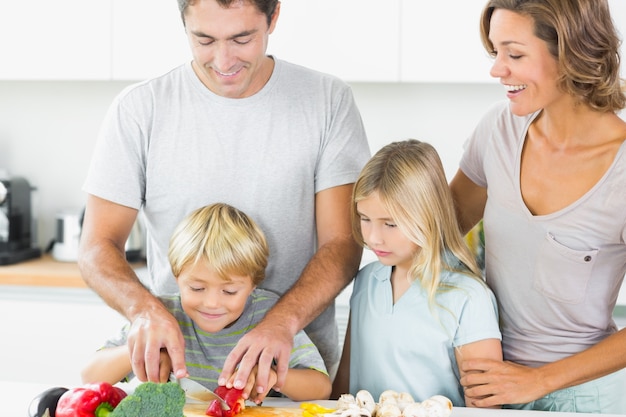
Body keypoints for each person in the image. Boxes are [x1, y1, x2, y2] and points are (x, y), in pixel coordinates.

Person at [77, 0, 370, 403]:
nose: (223, 59)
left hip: (288, 384)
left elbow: (343, 243)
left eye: (242, 38)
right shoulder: (139, 109)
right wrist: (144, 311)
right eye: (204, 39)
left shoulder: (327, 101)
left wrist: (280, 325)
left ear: (274, 17)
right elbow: (96, 246)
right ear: (183, 25)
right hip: (175, 386)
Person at [450, 0, 626, 413]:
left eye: (514, 54)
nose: (497, 69)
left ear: (571, 53)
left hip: (583, 398)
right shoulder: (499, 129)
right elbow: (439, 227)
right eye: (495, 53)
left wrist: (537, 381)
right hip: (487, 388)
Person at [81, 203, 331, 402]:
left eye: (230, 291)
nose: (211, 303)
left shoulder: (270, 316)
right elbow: (89, 376)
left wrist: (273, 376)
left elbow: (321, 388)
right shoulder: (164, 315)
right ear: (177, 277)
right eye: (197, 288)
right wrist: (143, 352)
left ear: (254, 283)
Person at [331, 140, 502, 407]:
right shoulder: (366, 281)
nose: (374, 238)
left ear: (428, 216)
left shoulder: (469, 297)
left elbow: (486, 407)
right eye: (365, 219)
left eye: (390, 224)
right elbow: (344, 382)